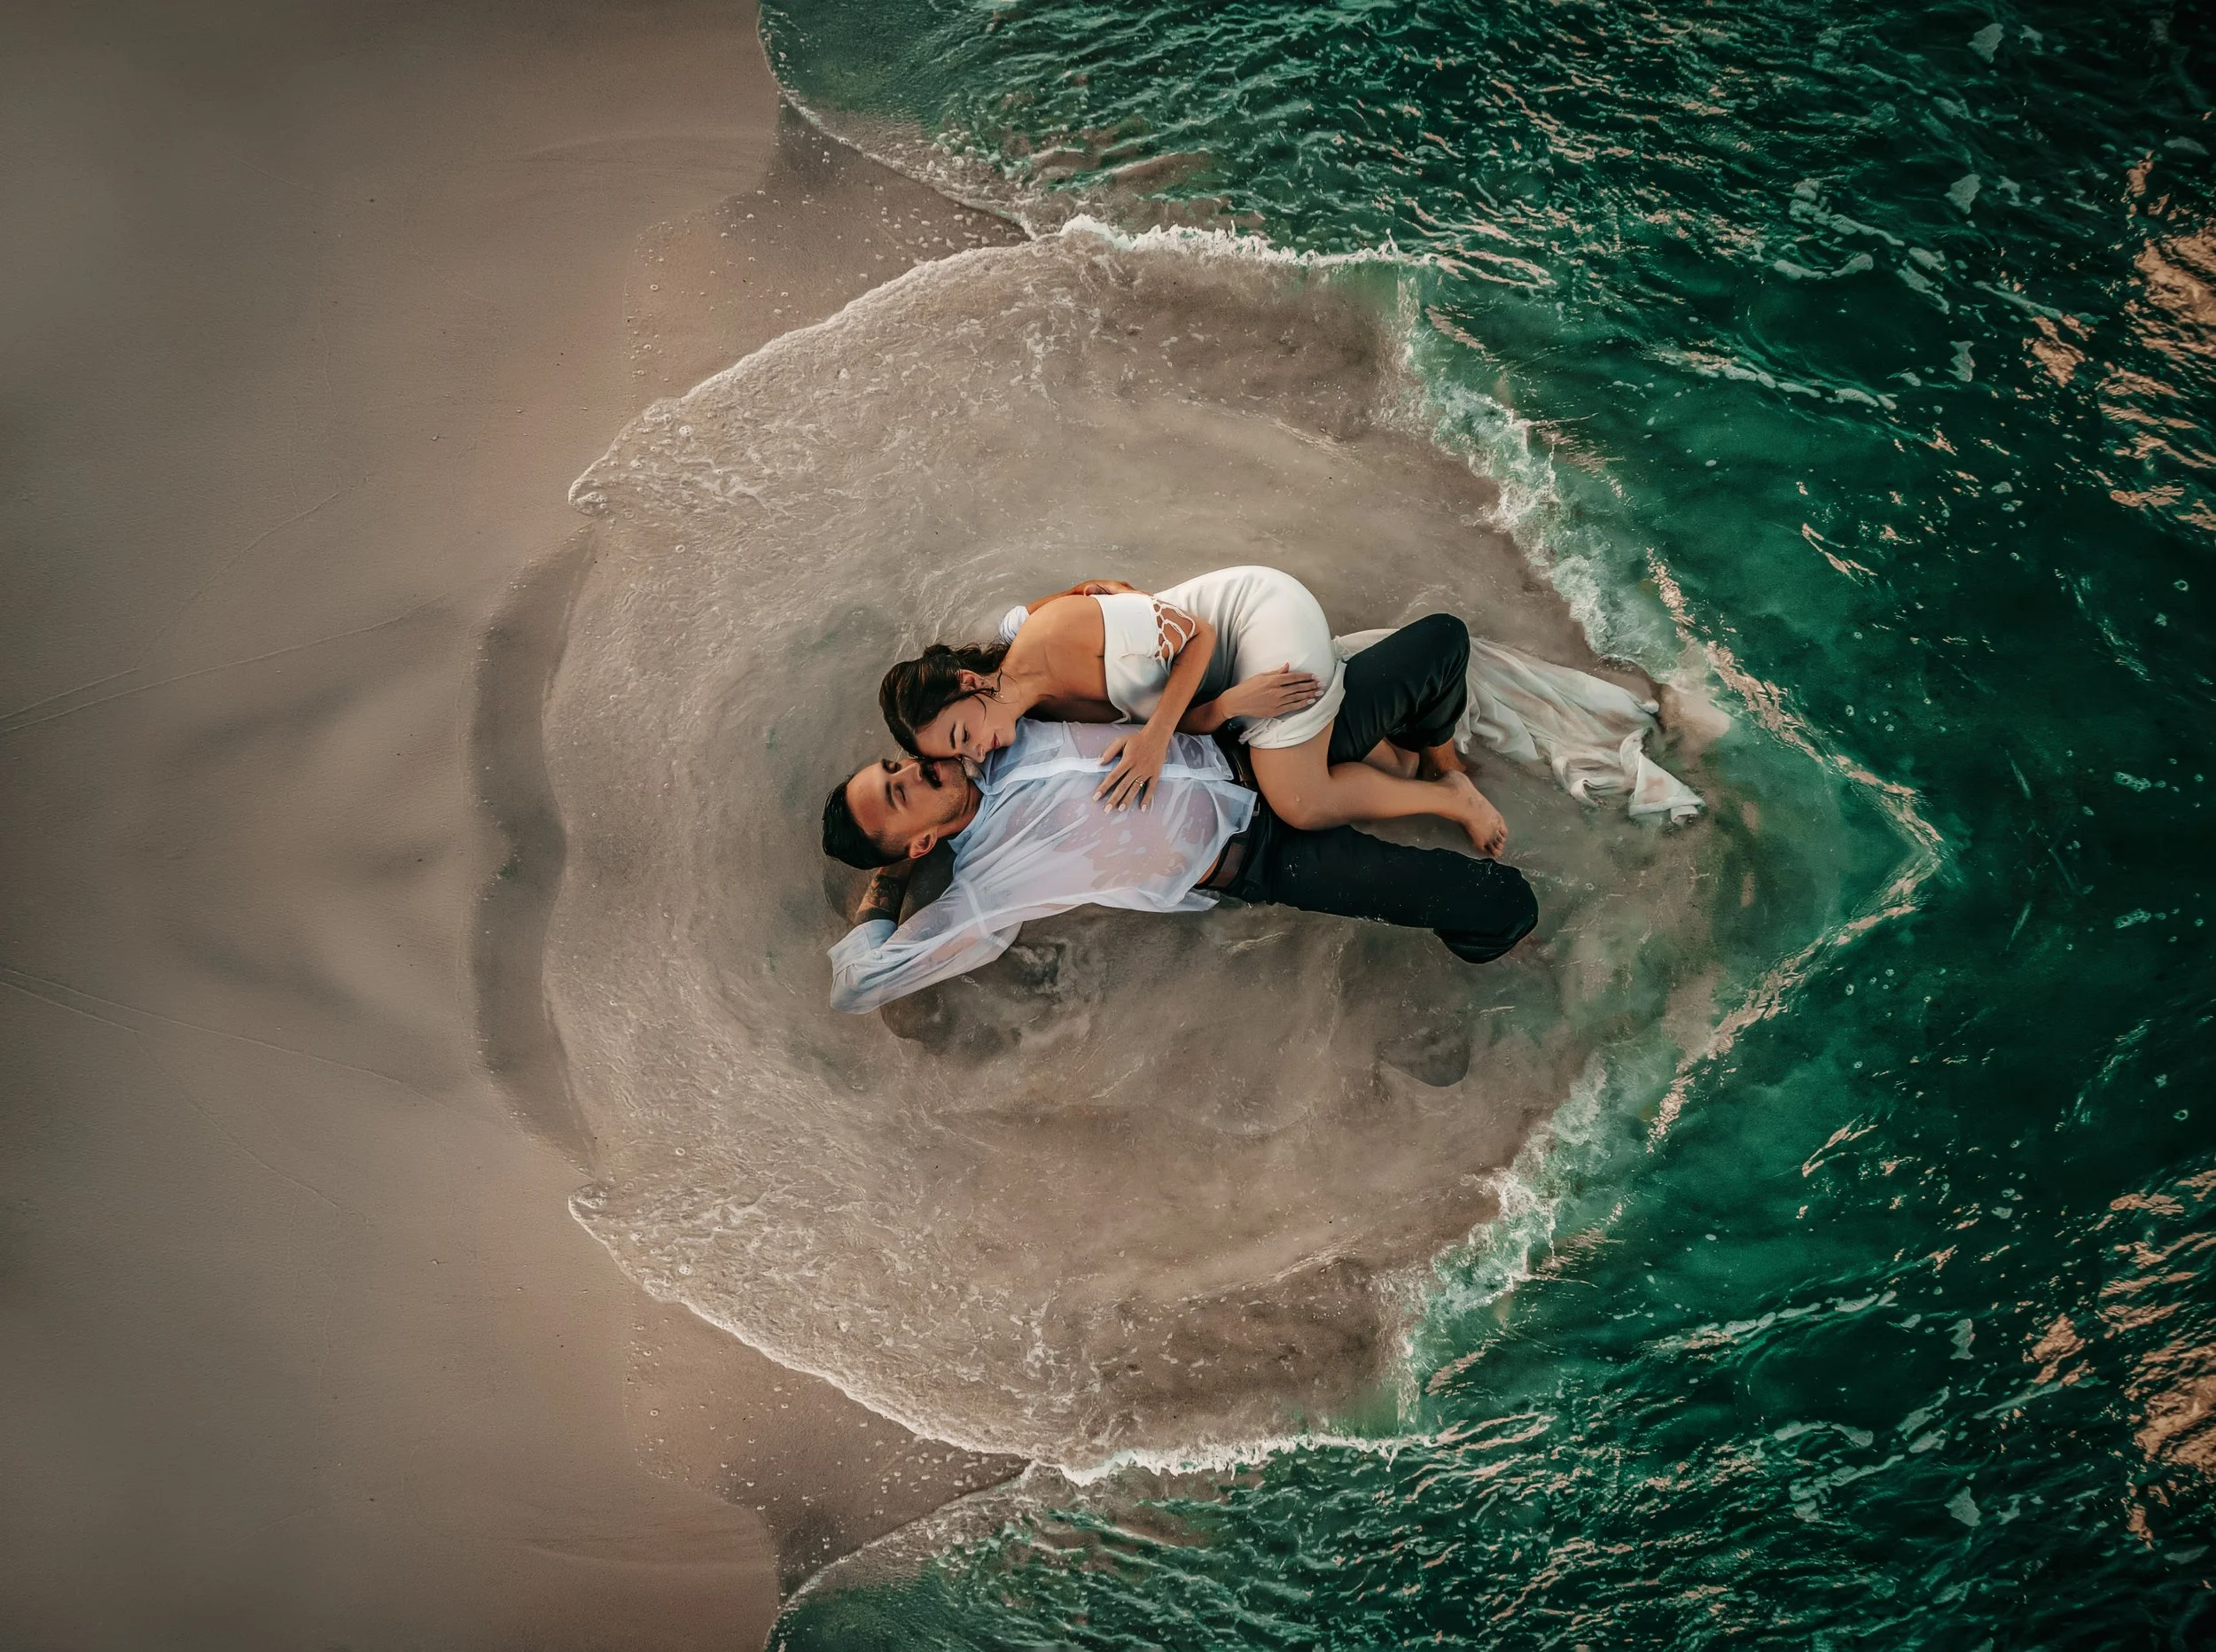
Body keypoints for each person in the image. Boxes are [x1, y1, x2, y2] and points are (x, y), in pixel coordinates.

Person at [823, 616, 1535, 1014]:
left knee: (1444, 640)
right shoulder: (987, 882)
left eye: (894, 766)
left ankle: (1433, 764)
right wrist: (888, 882)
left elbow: (1034, 631)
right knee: (1503, 902)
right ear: (917, 842)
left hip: (1257, 743)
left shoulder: (1005, 730)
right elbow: (858, 985)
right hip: (1259, 854)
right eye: (899, 793)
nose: (912, 771)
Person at [877, 566, 1508, 855]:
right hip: (1224, 684)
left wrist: (1154, 737)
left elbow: (1198, 634)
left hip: (1251, 619)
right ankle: (1406, 738)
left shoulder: (1053, 639)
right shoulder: (1027, 699)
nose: (975, 752)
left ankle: (1452, 795)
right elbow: (1068, 593)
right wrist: (1227, 704)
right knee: (1382, 770)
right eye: (956, 755)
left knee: (1299, 801)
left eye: (963, 733)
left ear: (969, 681)